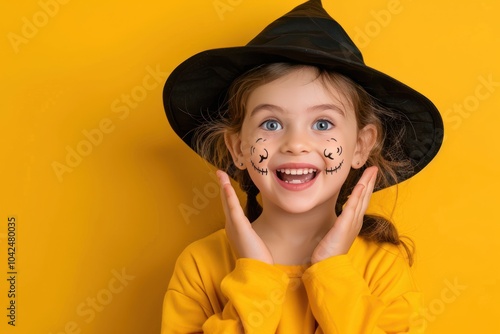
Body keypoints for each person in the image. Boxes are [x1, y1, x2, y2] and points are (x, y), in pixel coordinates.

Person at [161, 0, 443, 333]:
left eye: (323, 124)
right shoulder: (201, 264)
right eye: (271, 124)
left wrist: (332, 270)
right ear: (238, 147)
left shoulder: (381, 267)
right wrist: (254, 275)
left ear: (361, 145)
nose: (296, 144)